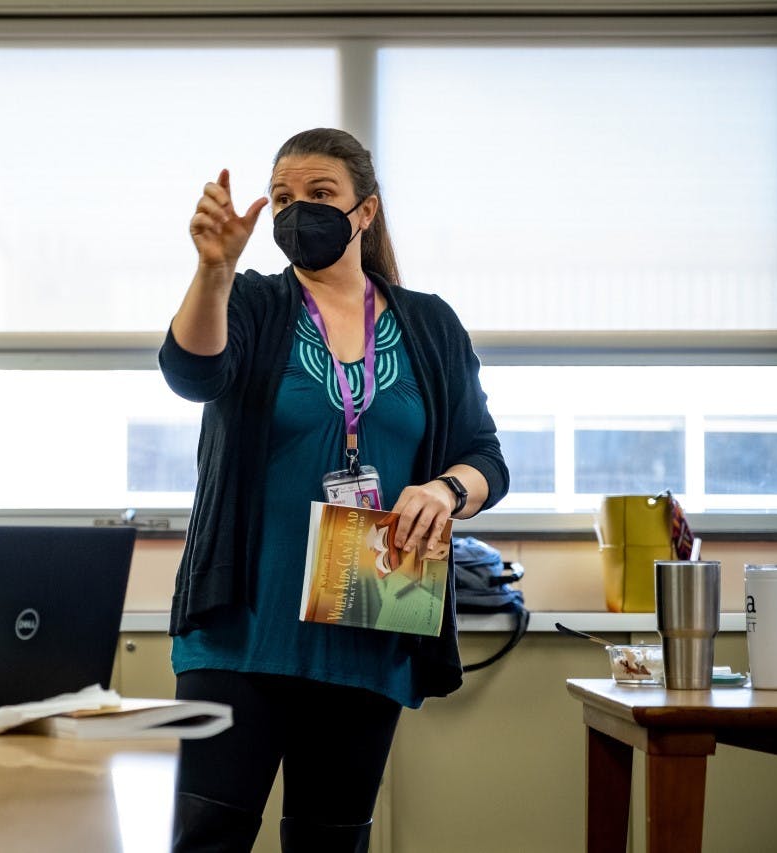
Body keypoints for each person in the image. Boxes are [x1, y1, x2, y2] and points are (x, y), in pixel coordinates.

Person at [161, 128, 508, 853]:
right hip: (239, 632)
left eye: (321, 195)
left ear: (366, 212)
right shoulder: (252, 303)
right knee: (205, 837)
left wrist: (446, 489)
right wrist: (214, 270)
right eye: (283, 198)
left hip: (370, 625)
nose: (298, 212)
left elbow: (485, 458)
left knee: (331, 844)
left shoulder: (430, 325)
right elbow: (192, 373)